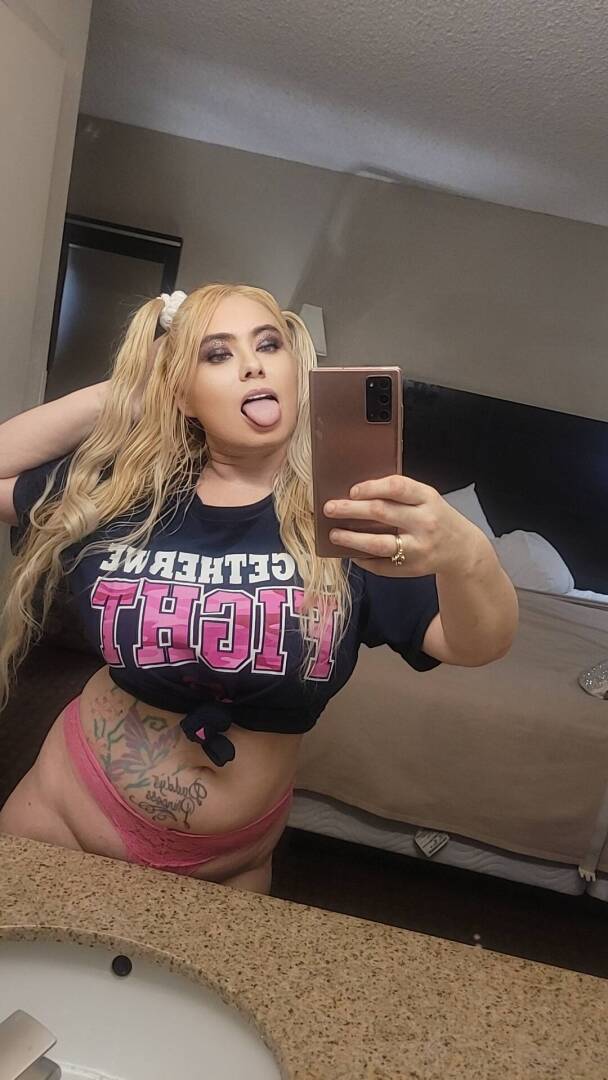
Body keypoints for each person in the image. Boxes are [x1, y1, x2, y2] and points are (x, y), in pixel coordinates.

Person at [0, 283, 518, 893]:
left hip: (227, 861)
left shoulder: (347, 518)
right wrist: (127, 392)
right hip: (65, 809)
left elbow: (473, 643)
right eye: (217, 354)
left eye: (268, 345)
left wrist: (467, 555)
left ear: (296, 372)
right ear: (182, 393)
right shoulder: (129, 493)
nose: (252, 364)